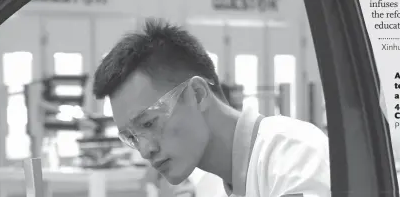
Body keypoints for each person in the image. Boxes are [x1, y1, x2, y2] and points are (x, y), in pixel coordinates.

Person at [93, 18, 331, 197]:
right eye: (132, 137)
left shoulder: (292, 155)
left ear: (197, 94)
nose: (145, 150)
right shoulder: (210, 185)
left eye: (148, 123)